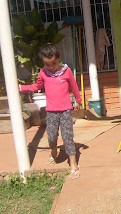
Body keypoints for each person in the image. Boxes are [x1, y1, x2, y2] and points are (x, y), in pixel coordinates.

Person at [19, 44, 82, 179]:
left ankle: (73, 164)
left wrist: (78, 100)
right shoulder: (43, 73)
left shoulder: (67, 71)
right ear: (43, 62)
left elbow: (74, 86)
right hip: (51, 112)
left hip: (65, 110)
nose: (52, 66)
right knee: (51, 136)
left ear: (59, 57)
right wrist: (21, 87)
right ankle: (53, 151)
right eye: (48, 64)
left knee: (67, 137)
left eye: (54, 63)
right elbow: (37, 86)